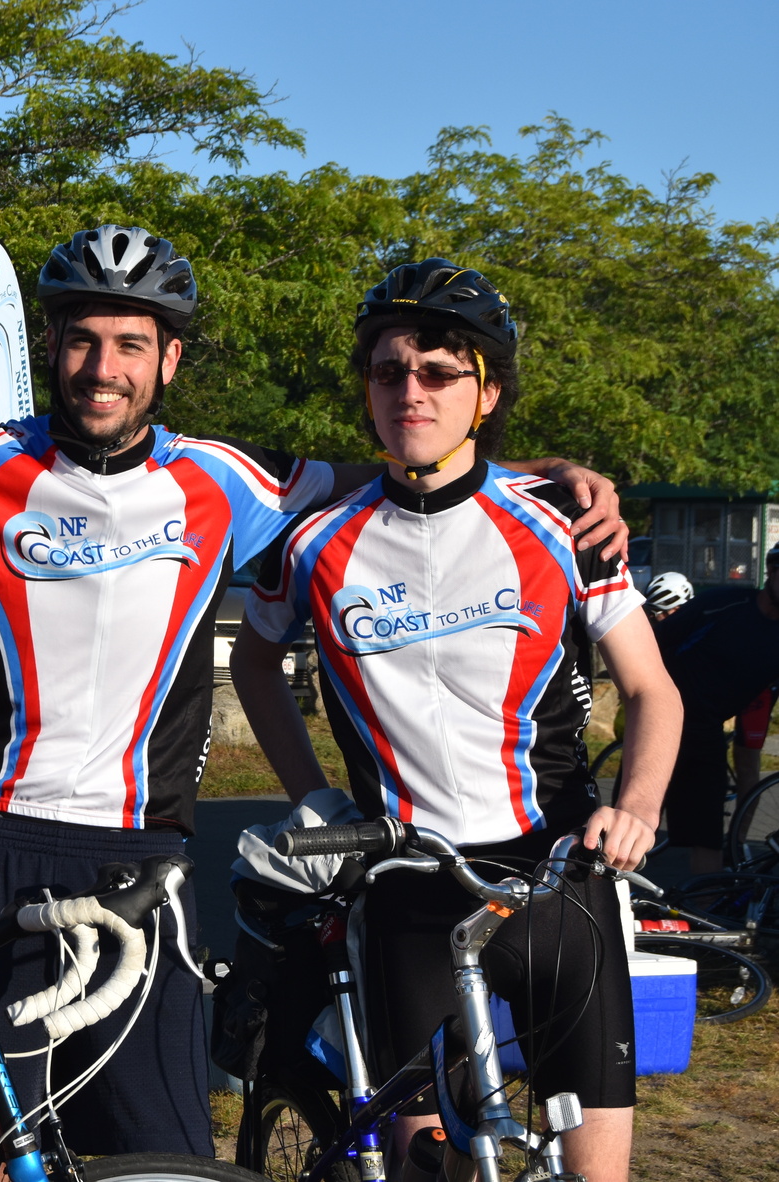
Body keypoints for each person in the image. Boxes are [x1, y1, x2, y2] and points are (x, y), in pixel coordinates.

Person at [0, 225, 629, 1172]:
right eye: (82, 340)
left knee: (160, 1155)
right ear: (51, 345)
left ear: (170, 362)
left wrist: (560, 478)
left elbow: (415, 470)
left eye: (131, 345)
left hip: (143, 856)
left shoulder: (233, 481)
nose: (103, 368)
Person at [231, 257, 681, 1182]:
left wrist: (634, 808)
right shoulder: (314, 536)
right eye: (389, 371)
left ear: (485, 393)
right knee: (425, 1167)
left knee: (596, 1171)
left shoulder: (559, 521)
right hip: (406, 885)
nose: (410, 391)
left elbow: (652, 690)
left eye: (438, 373)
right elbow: (253, 657)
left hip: (560, 871)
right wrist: (311, 793)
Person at [655, 542, 779, 872]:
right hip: (662, 718)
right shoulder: (722, 604)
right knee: (637, 815)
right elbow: (655, 642)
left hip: (706, 730)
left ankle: (704, 908)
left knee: (707, 832)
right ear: (772, 573)